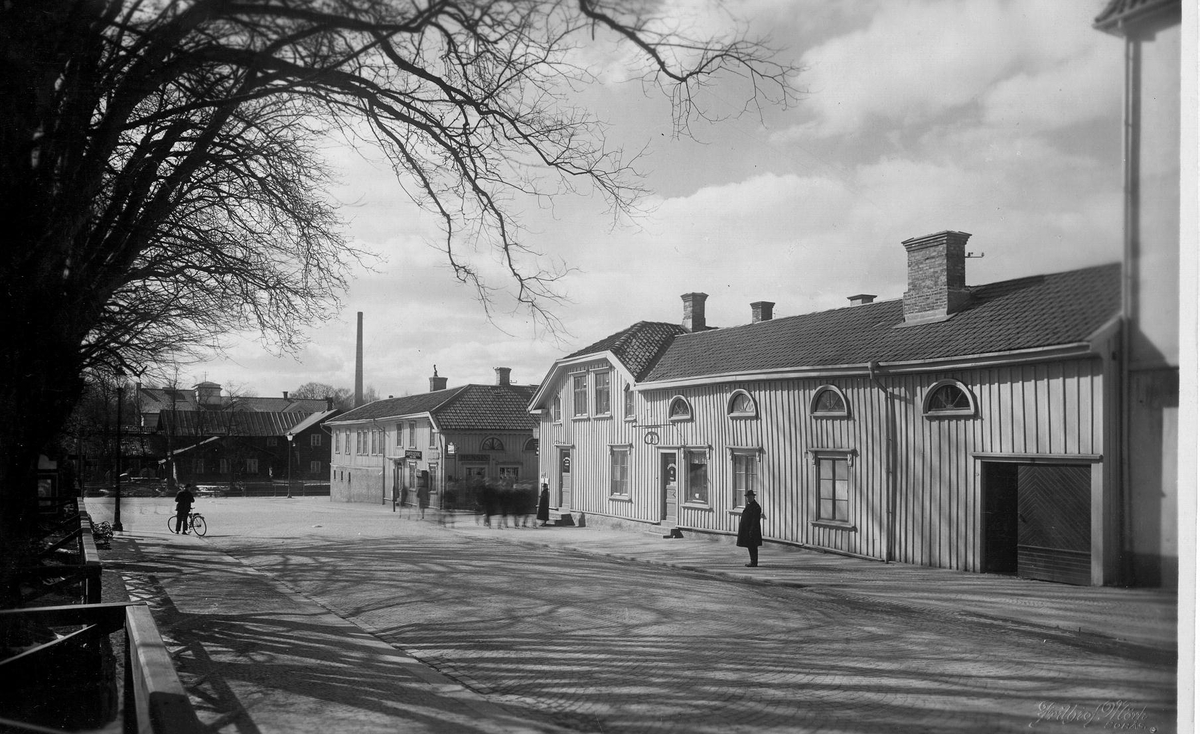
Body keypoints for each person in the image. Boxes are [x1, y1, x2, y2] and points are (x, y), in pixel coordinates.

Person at [736, 489, 763, 567]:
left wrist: (751, 529)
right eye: (747, 497)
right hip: (747, 529)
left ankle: (754, 562)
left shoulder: (756, 507)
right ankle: (753, 561)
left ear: (753, 497)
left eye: (750, 497)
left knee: (753, 546)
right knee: (750, 546)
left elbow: (755, 520)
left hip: (753, 529)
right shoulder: (749, 505)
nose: (748, 498)